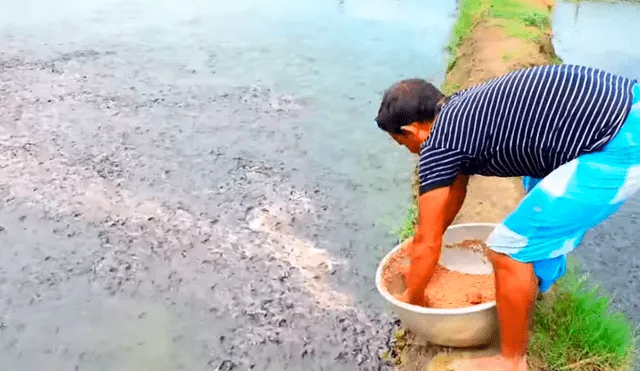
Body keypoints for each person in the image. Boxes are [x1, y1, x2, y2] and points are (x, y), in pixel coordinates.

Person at [374, 64, 640, 371]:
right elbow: (452, 195)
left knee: (508, 247)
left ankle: (513, 361)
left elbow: (430, 239)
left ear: (411, 131)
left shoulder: (439, 145)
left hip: (620, 144)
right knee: (534, 194)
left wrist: (413, 298)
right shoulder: (459, 112)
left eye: (404, 144)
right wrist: (425, 236)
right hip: (625, 107)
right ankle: (535, 285)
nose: (412, 152)